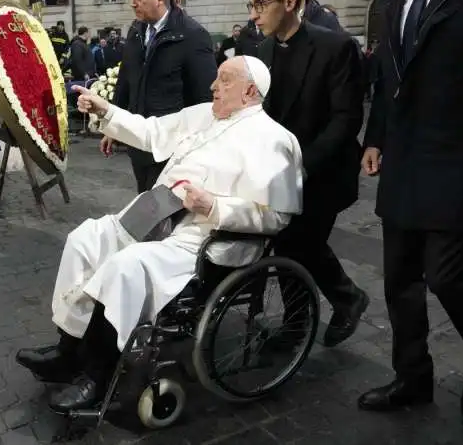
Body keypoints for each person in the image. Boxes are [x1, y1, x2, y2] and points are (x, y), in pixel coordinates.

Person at [16, 56, 304, 412]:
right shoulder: (204, 113)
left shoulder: (275, 140)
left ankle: (98, 374)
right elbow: (152, 131)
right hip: (154, 215)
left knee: (125, 266)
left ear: (249, 91)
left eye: (224, 80)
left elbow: (276, 216)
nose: (213, 86)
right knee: (85, 239)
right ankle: (69, 349)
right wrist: (107, 110)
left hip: (201, 238)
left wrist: (214, 206)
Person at [358, 0, 463, 418]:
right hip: (404, 159)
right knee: (400, 280)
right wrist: (375, 138)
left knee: (446, 274)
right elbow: (386, 78)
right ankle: (412, 377)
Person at [248, 0, 370, 347]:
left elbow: (345, 119)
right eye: (251, 5)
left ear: (289, 2)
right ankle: (302, 322)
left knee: (301, 243)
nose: (253, 14)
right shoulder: (263, 51)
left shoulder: (336, 47)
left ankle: (341, 301)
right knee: (288, 244)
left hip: (324, 172)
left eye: (260, 5)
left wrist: (302, 165)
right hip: (279, 172)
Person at [106, 0, 216, 193]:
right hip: (138, 142)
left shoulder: (192, 35)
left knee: (166, 209)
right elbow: (125, 81)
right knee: (144, 201)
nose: (133, 3)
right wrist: (113, 127)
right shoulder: (135, 31)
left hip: (172, 150)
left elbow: (205, 99)